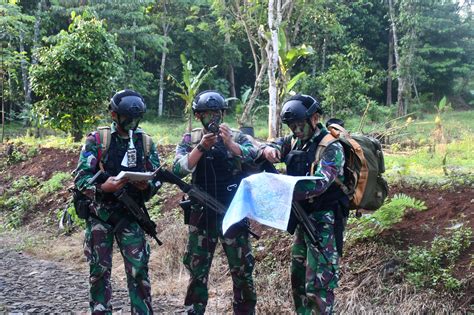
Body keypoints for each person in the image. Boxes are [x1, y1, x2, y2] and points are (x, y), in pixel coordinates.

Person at [259, 94, 348, 314]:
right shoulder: (296, 140)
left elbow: (319, 184)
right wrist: (268, 150)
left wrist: (281, 188)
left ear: (314, 118)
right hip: (303, 218)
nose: (296, 130)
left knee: (319, 283)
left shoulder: (331, 147)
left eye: (300, 126)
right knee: (298, 278)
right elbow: (277, 148)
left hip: (324, 222)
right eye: (292, 127)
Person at [74, 89, 161, 314]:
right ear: (114, 115)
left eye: (136, 119)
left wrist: (146, 186)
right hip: (100, 216)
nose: (132, 123)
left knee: (139, 271)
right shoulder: (98, 140)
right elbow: (80, 179)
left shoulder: (146, 142)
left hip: (131, 216)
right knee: (99, 272)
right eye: (127, 118)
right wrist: (104, 187)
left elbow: (156, 180)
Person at [173, 90, 257, 315]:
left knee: (242, 271)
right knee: (198, 272)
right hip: (202, 214)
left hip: (233, 213)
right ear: (199, 116)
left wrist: (231, 145)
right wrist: (200, 147)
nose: (213, 119)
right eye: (207, 114)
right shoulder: (190, 139)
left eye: (216, 113)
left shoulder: (237, 136)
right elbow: (178, 169)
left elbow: (256, 156)